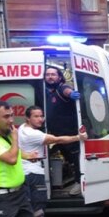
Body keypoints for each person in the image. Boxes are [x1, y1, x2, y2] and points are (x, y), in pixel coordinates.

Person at [19, 105, 88, 217]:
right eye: (36, 116)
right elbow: (58, 140)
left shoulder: (21, 129)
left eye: (41, 116)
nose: (40, 119)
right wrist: (78, 137)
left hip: (23, 172)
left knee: (27, 206)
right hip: (34, 173)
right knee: (39, 207)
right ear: (28, 118)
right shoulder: (33, 134)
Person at [43, 66, 82, 195]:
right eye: (47, 74)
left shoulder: (61, 88)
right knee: (57, 157)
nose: (50, 77)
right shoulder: (48, 92)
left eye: (53, 74)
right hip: (54, 135)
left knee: (75, 159)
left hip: (69, 134)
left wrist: (71, 94)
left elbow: (67, 90)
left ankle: (79, 182)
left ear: (59, 77)